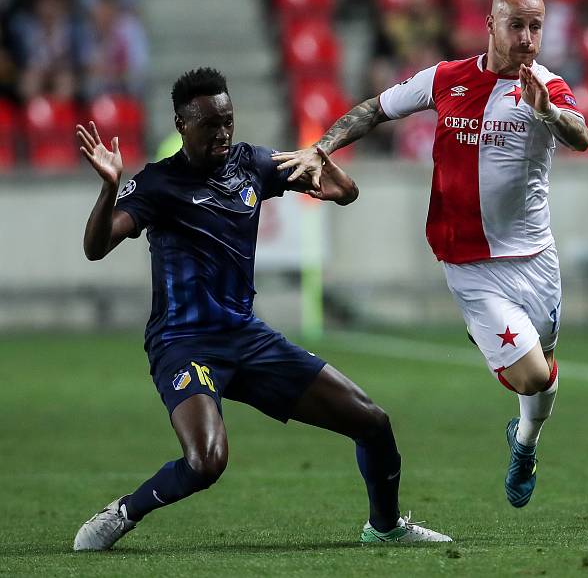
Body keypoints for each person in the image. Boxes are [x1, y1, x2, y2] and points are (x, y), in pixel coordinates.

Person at [72, 67, 451, 551]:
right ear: (182, 124)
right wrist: (109, 187)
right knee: (207, 461)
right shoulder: (157, 185)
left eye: (227, 121)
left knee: (372, 422)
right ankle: (125, 510)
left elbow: (344, 190)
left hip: (246, 339)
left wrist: (324, 167)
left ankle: (386, 527)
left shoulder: (250, 164)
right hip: (183, 343)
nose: (223, 133)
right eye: (210, 124)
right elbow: (96, 246)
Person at [273, 0, 588, 509]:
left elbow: (580, 134)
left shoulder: (547, 88)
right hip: (469, 263)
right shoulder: (447, 79)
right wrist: (320, 147)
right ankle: (487, 338)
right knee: (532, 374)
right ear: (490, 24)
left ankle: (525, 442)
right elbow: (375, 109)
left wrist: (550, 114)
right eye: (517, 25)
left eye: (536, 27)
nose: (528, 39)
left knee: (544, 374)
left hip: (535, 258)